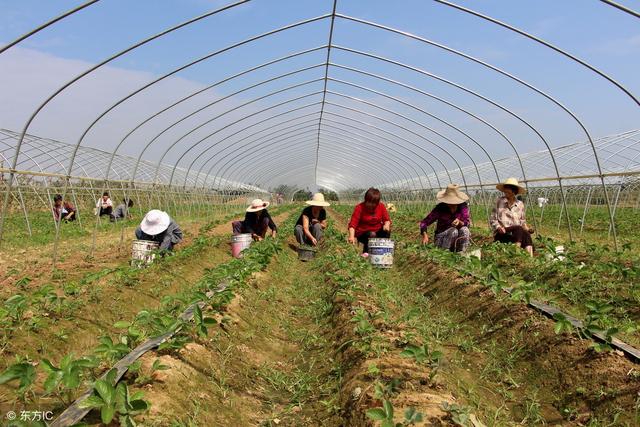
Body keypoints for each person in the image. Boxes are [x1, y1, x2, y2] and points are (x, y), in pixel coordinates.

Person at [419, 184, 470, 252]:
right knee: (453, 231)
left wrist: (460, 222)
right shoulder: (440, 208)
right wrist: (425, 235)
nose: (450, 203)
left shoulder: (463, 207)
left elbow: (467, 223)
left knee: (465, 230)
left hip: (457, 240)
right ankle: (445, 253)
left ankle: (461, 252)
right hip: (442, 239)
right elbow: (424, 223)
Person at [490, 177, 534, 256]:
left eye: (508, 188)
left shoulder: (520, 204)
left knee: (525, 233)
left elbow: (523, 222)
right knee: (518, 228)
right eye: (505, 188)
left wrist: (528, 229)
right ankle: (516, 253)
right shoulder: (499, 201)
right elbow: (493, 219)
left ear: (514, 191)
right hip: (503, 233)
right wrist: (498, 228)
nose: (505, 190)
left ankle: (530, 258)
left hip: (517, 234)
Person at [348, 187, 391, 255]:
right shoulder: (359, 208)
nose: (372, 205)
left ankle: (383, 253)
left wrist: (386, 224)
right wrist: (351, 236)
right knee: (372, 234)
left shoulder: (381, 206)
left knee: (386, 231)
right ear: (366, 200)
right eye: (369, 202)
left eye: (374, 203)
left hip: (377, 231)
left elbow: (387, 220)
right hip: (363, 233)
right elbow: (353, 224)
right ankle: (366, 253)